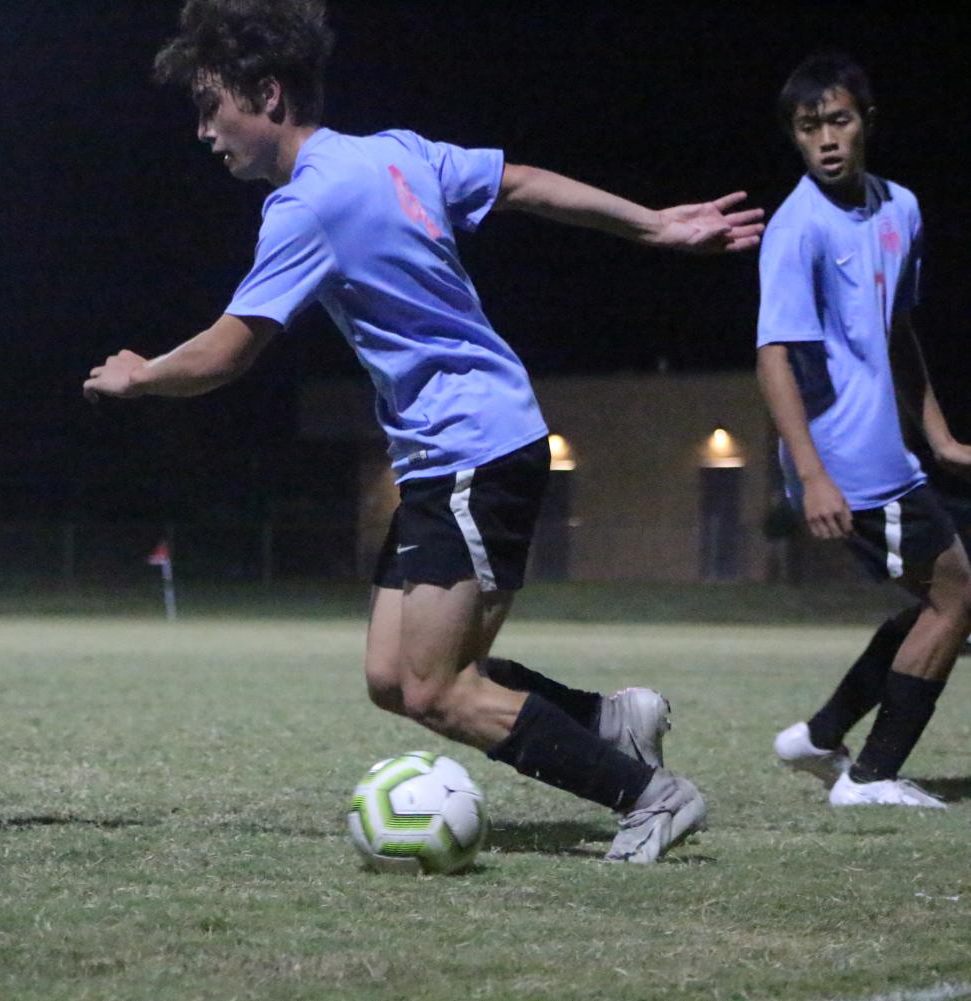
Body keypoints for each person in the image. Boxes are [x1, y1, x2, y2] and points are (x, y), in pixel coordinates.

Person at [85, 0, 764, 863]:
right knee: (390, 677)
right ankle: (607, 718)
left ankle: (649, 795)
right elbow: (518, 180)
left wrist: (139, 373)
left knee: (436, 689)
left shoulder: (306, 205)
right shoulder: (394, 151)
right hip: (450, 452)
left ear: (266, 94)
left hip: (474, 448)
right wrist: (653, 223)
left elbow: (226, 353)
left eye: (209, 106)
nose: (202, 131)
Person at [758, 53, 971, 808]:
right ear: (794, 135)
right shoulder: (796, 228)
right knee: (957, 596)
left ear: (866, 123)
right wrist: (811, 472)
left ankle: (820, 736)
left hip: (888, 450)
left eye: (837, 121)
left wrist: (939, 437)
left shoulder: (899, 209)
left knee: (938, 599)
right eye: (807, 126)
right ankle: (870, 775)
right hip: (845, 459)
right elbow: (773, 355)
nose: (824, 139)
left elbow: (897, 330)